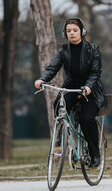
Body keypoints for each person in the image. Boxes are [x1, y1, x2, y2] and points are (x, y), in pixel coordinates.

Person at [35, 17, 107, 168]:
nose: (72, 33)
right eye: (69, 31)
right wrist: (42, 79)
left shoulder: (93, 49)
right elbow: (52, 68)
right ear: (65, 33)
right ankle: (61, 139)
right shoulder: (63, 51)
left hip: (91, 90)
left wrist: (88, 87)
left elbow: (95, 73)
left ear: (82, 31)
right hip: (72, 87)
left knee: (87, 118)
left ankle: (95, 154)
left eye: (75, 30)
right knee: (60, 107)